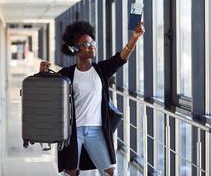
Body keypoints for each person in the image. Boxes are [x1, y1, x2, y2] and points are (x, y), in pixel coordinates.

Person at [40, 21, 145, 176]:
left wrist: (134, 38)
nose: (92, 46)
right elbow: (47, 92)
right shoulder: (66, 74)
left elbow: (121, 57)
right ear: (75, 49)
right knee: (71, 171)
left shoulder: (101, 70)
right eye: (86, 44)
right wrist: (42, 72)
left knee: (109, 171)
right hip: (72, 132)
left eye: (92, 42)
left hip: (97, 131)